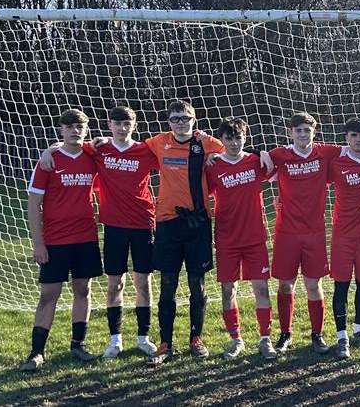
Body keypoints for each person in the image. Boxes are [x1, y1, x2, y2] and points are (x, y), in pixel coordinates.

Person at [37, 106, 161, 359]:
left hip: (143, 223)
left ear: (135, 126)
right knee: (115, 283)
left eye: (127, 124)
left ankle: (143, 337)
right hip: (113, 226)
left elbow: (175, 155)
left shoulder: (146, 151)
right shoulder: (98, 150)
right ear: (109, 125)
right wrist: (48, 150)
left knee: (143, 282)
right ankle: (115, 340)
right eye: (118, 123)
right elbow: (70, 144)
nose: (123, 128)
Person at [145, 100, 225, 366]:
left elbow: (233, 150)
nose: (181, 123)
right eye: (175, 119)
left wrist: (213, 153)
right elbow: (127, 147)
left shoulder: (206, 143)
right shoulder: (158, 142)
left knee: (196, 283)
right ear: (168, 122)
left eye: (186, 118)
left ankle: (195, 338)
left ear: (194, 120)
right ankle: (165, 343)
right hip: (168, 222)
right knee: (168, 284)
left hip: (198, 223)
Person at [21, 109, 101, 371]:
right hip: (55, 241)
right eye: (69, 127)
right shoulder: (48, 161)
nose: (75, 131)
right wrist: (38, 243)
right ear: (61, 130)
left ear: (86, 130)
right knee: (48, 294)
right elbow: (34, 203)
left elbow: (113, 146)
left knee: (83, 290)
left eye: (80, 127)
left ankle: (78, 345)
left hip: (86, 237)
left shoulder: (92, 157)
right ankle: (36, 352)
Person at [267, 112, 341, 354]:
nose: (302, 134)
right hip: (286, 232)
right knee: (285, 285)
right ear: (290, 133)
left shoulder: (324, 152)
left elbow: (359, 145)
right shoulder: (279, 155)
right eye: (298, 130)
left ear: (314, 132)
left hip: (314, 232)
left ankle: (317, 335)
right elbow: (250, 159)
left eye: (307, 130)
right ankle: (285, 334)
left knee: (313, 284)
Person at [206, 117, 278, 360]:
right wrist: (208, 158)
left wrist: (263, 153)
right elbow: (203, 192)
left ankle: (265, 339)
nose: (234, 143)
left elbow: (277, 172)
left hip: (255, 237)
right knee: (229, 290)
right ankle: (236, 339)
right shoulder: (213, 166)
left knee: (262, 289)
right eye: (229, 138)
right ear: (222, 140)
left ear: (245, 138)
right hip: (227, 239)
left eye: (238, 138)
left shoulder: (255, 161)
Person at [327, 117, 360, 359]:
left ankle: (359, 332)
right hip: (343, 233)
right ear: (346, 138)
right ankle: (342, 338)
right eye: (354, 135)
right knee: (341, 285)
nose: (358, 140)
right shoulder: (336, 162)